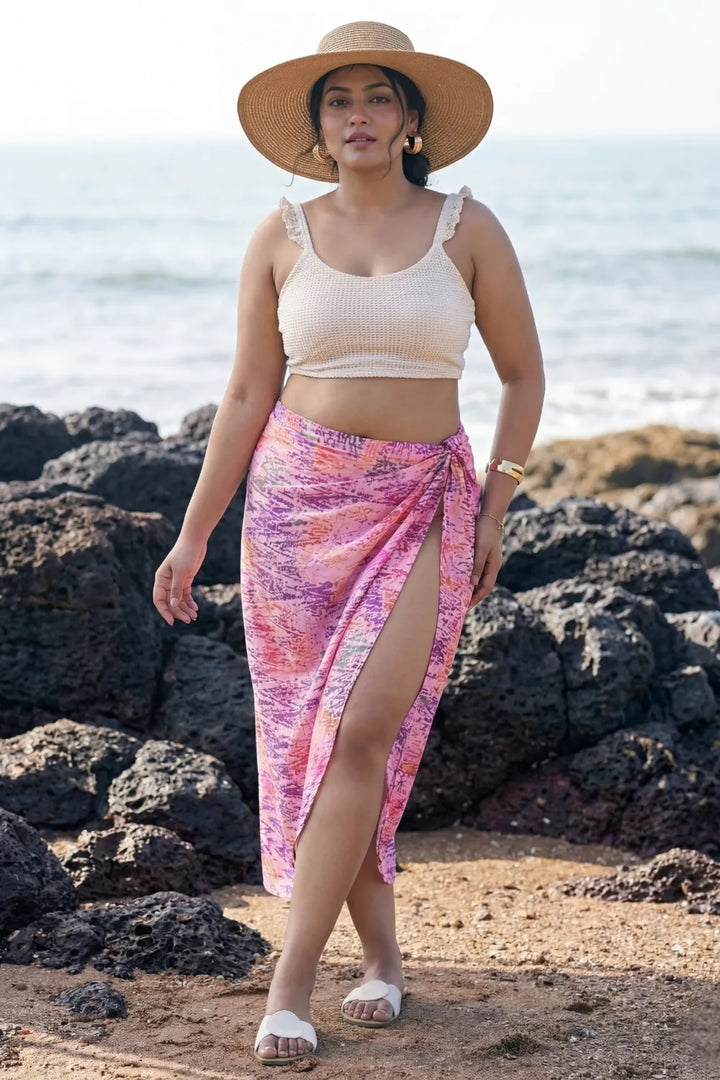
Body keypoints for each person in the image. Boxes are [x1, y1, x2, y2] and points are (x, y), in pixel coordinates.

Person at [152, 20, 545, 1067]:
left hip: (421, 504)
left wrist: (498, 503)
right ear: (319, 128)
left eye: (379, 98)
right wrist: (194, 536)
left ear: (413, 121)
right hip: (291, 511)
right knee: (321, 746)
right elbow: (245, 394)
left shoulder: (467, 225)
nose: (359, 117)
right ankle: (381, 958)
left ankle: (289, 986)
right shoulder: (281, 232)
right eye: (339, 102)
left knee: (364, 730)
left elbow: (523, 376)